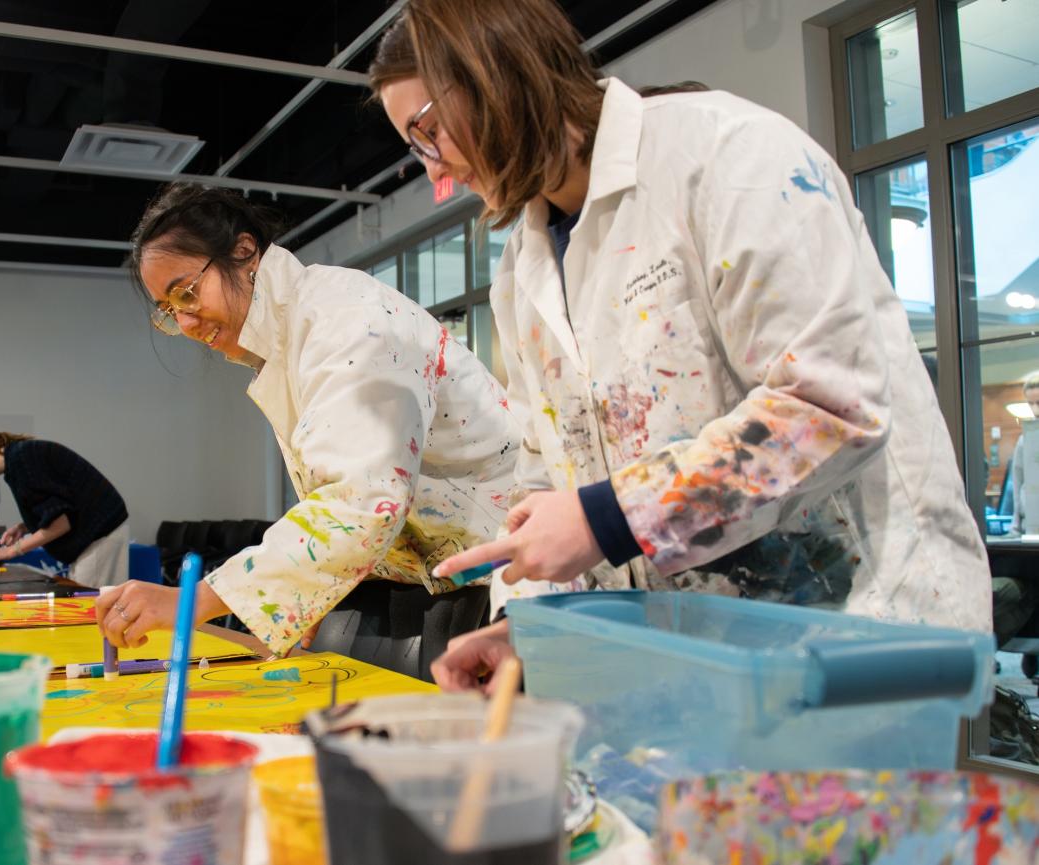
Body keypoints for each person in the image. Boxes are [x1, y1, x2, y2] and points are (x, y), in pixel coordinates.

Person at [370, 0, 992, 691]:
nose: (437, 177)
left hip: (861, 633)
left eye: (426, 133)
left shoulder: (725, 156)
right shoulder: (524, 268)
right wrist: (531, 629)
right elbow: (549, 481)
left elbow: (830, 405)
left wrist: (610, 516)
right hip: (709, 665)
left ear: (489, 69)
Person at [95, 183, 519, 680]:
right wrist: (309, 593)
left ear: (244, 251)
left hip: (499, 582)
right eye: (170, 312)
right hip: (425, 578)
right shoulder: (291, 335)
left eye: (186, 292)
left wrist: (194, 601)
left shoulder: (345, 318)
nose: (186, 323)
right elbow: (338, 489)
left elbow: (362, 501)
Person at [0, 434, 130, 588]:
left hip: (99, 533)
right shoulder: (16, 459)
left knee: (90, 611)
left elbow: (62, 523)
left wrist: (9, 552)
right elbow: (62, 504)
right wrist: (25, 527)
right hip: (95, 533)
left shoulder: (22, 460)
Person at [1007, 370, 1039, 535]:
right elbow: (1018, 482)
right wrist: (1016, 525)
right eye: (1030, 403)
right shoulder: (1024, 440)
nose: (1035, 410)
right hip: (1031, 527)